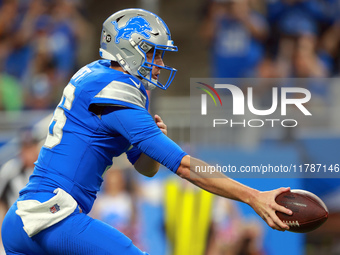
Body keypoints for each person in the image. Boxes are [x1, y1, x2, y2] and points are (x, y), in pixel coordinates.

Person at [1, 8, 292, 255]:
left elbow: (147, 168)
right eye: (154, 53)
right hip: (53, 217)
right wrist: (254, 196)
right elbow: (184, 166)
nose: (160, 64)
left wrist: (151, 140)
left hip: (30, 219)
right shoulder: (115, 89)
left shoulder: (99, 76)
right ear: (129, 48)